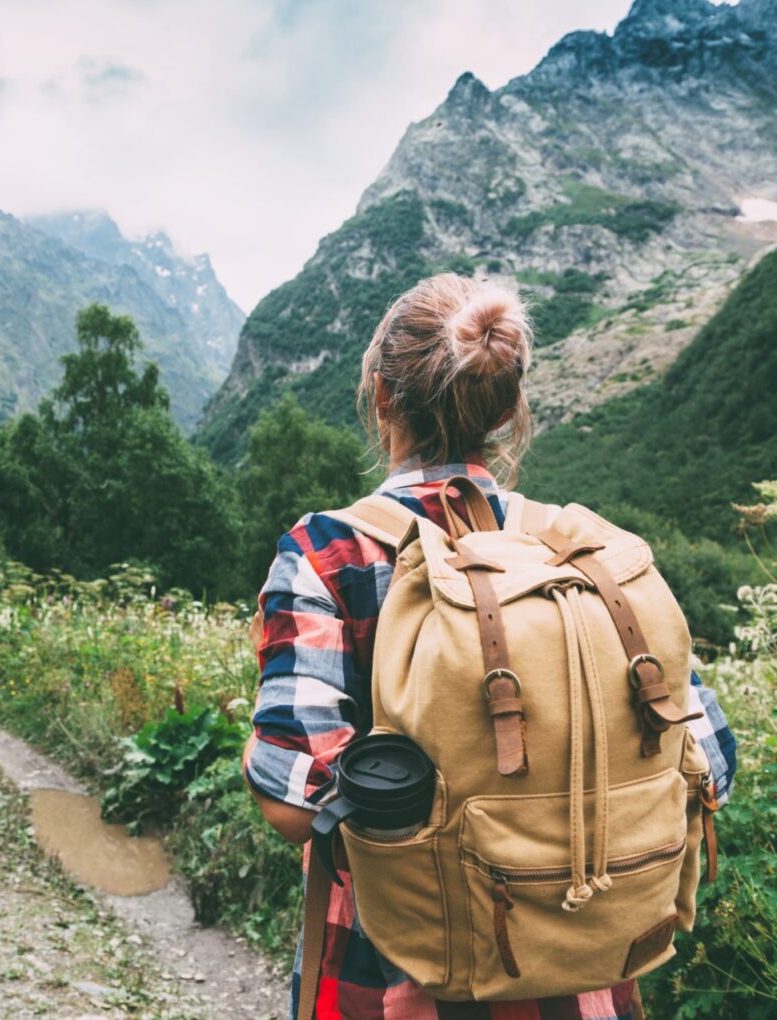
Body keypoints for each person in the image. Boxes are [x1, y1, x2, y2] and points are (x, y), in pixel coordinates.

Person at [243, 273, 737, 1020]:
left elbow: (289, 799)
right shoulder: (583, 555)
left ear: (381, 396)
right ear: (509, 409)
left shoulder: (331, 553)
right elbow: (711, 765)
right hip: (586, 980)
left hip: (395, 981)